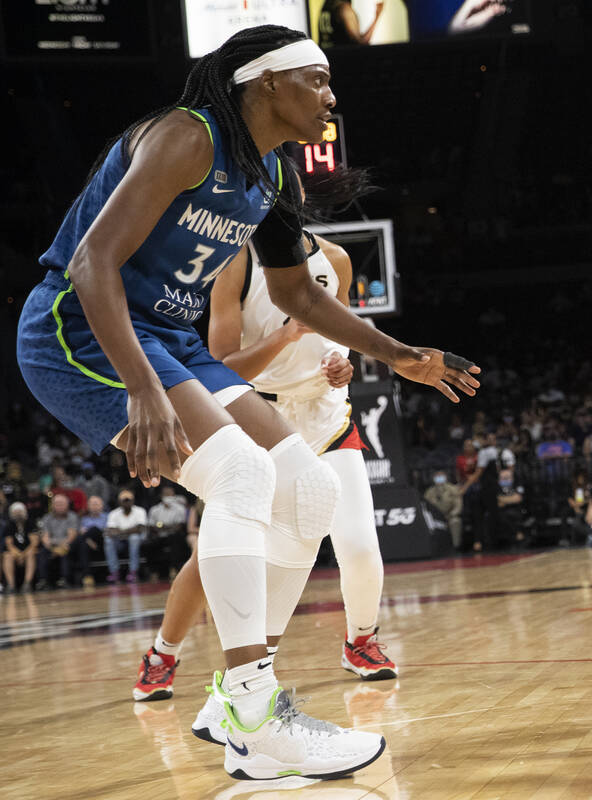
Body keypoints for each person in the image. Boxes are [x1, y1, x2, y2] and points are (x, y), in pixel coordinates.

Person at [16, 25, 477, 778]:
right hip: (78, 327)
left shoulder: (271, 175)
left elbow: (295, 292)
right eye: (318, 80)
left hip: (167, 336)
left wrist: (398, 354)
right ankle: (255, 711)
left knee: (308, 490)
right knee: (241, 476)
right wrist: (142, 388)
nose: (331, 95)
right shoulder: (185, 137)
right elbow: (93, 260)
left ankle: (236, 707)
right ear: (267, 83)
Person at [136, 227, 428, 733]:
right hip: (258, 418)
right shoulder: (236, 263)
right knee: (214, 558)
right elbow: (221, 366)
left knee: (359, 545)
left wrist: (344, 366)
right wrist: (286, 335)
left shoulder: (335, 259)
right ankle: (164, 652)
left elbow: (340, 340)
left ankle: (360, 639)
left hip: (326, 417)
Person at [146, 484, 190, 579]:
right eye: (166, 494)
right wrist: (165, 527)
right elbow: (152, 526)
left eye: (170, 494)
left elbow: (179, 526)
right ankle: (154, 571)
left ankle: (174, 569)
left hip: (174, 536)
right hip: (159, 536)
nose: (168, 497)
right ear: (161, 496)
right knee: (148, 544)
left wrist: (162, 526)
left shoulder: (180, 508)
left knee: (176, 541)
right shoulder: (155, 510)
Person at [37, 493, 80, 588]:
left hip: (67, 544)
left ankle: (65, 579)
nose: (59, 507)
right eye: (57, 504)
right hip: (52, 546)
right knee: (42, 553)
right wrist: (52, 548)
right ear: (52, 505)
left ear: (67, 505)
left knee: (66, 551)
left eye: (62, 504)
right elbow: (45, 537)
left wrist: (62, 546)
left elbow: (72, 535)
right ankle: (43, 580)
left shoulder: (72, 516)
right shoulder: (47, 518)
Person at [105, 489, 147, 583]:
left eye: (129, 500)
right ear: (120, 502)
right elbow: (110, 530)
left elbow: (140, 528)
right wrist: (130, 530)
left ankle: (133, 571)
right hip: (120, 541)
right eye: (124, 500)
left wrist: (121, 531)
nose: (127, 503)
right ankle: (114, 572)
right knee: (108, 540)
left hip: (138, 540)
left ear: (133, 501)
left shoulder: (140, 511)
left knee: (134, 538)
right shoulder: (114, 513)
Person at [424, 470, 464, 550]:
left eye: (441, 476)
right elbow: (425, 508)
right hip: (435, 518)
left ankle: (455, 547)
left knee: (455, 522)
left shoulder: (453, 489)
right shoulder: (429, 492)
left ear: (446, 477)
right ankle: (433, 548)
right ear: (433, 478)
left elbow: (458, 504)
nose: (439, 478)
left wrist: (452, 514)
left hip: (450, 515)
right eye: (437, 476)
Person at [3, 503, 37, 592]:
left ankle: (27, 583)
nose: (18, 514)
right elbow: (9, 544)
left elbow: (34, 543)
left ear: (24, 512)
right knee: (7, 556)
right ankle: (11, 585)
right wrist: (18, 555)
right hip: (15, 552)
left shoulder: (30, 523)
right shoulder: (9, 525)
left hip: (28, 550)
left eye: (20, 512)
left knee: (31, 554)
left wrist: (23, 554)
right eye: (16, 512)